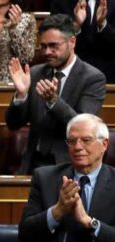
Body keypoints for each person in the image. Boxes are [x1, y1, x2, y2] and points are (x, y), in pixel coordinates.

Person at [18, 114, 115, 242]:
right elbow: (25, 233)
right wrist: (57, 212)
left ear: (104, 144)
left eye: (86, 140)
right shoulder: (45, 177)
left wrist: (90, 223)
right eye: (72, 141)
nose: (78, 147)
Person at [6, 14, 106, 175]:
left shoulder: (92, 78)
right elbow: (13, 124)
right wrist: (21, 95)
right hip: (33, 165)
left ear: (72, 42)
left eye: (53, 46)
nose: (47, 52)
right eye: (43, 46)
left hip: (70, 166)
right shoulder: (35, 73)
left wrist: (53, 101)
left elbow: (82, 127)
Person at [51, 0, 115, 83]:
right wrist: (76, 25)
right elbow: (54, 39)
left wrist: (103, 24)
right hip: (70, 73)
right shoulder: (61, 2)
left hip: (108, 74)